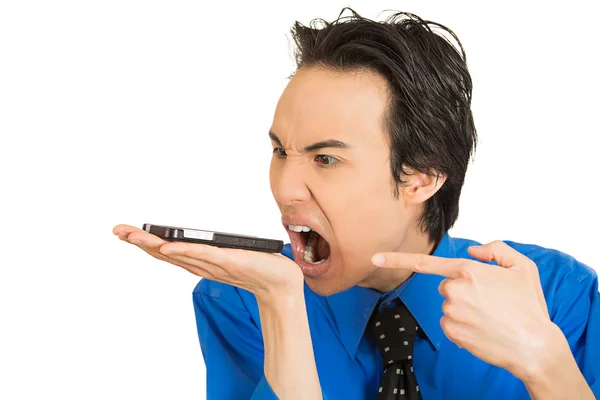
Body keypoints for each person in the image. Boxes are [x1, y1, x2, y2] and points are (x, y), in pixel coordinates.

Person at [113, 8, 599, 400]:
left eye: (325, 158)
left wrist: (544, 360)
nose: (286, 188)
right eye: (281, 151)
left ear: (422, 177)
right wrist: (282, 305)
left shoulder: (557, 296)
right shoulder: (242, 300)